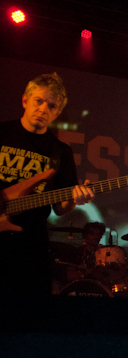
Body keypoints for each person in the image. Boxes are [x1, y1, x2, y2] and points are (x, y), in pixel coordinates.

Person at [0, 72, 94, 296]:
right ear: (25, 100)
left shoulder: (60, 152)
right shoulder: (2, 133)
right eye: (39, 101)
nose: (43, 109)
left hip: (31, 244)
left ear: (57, 113)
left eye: (51, 106)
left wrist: (74, 200)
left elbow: (60, 207)